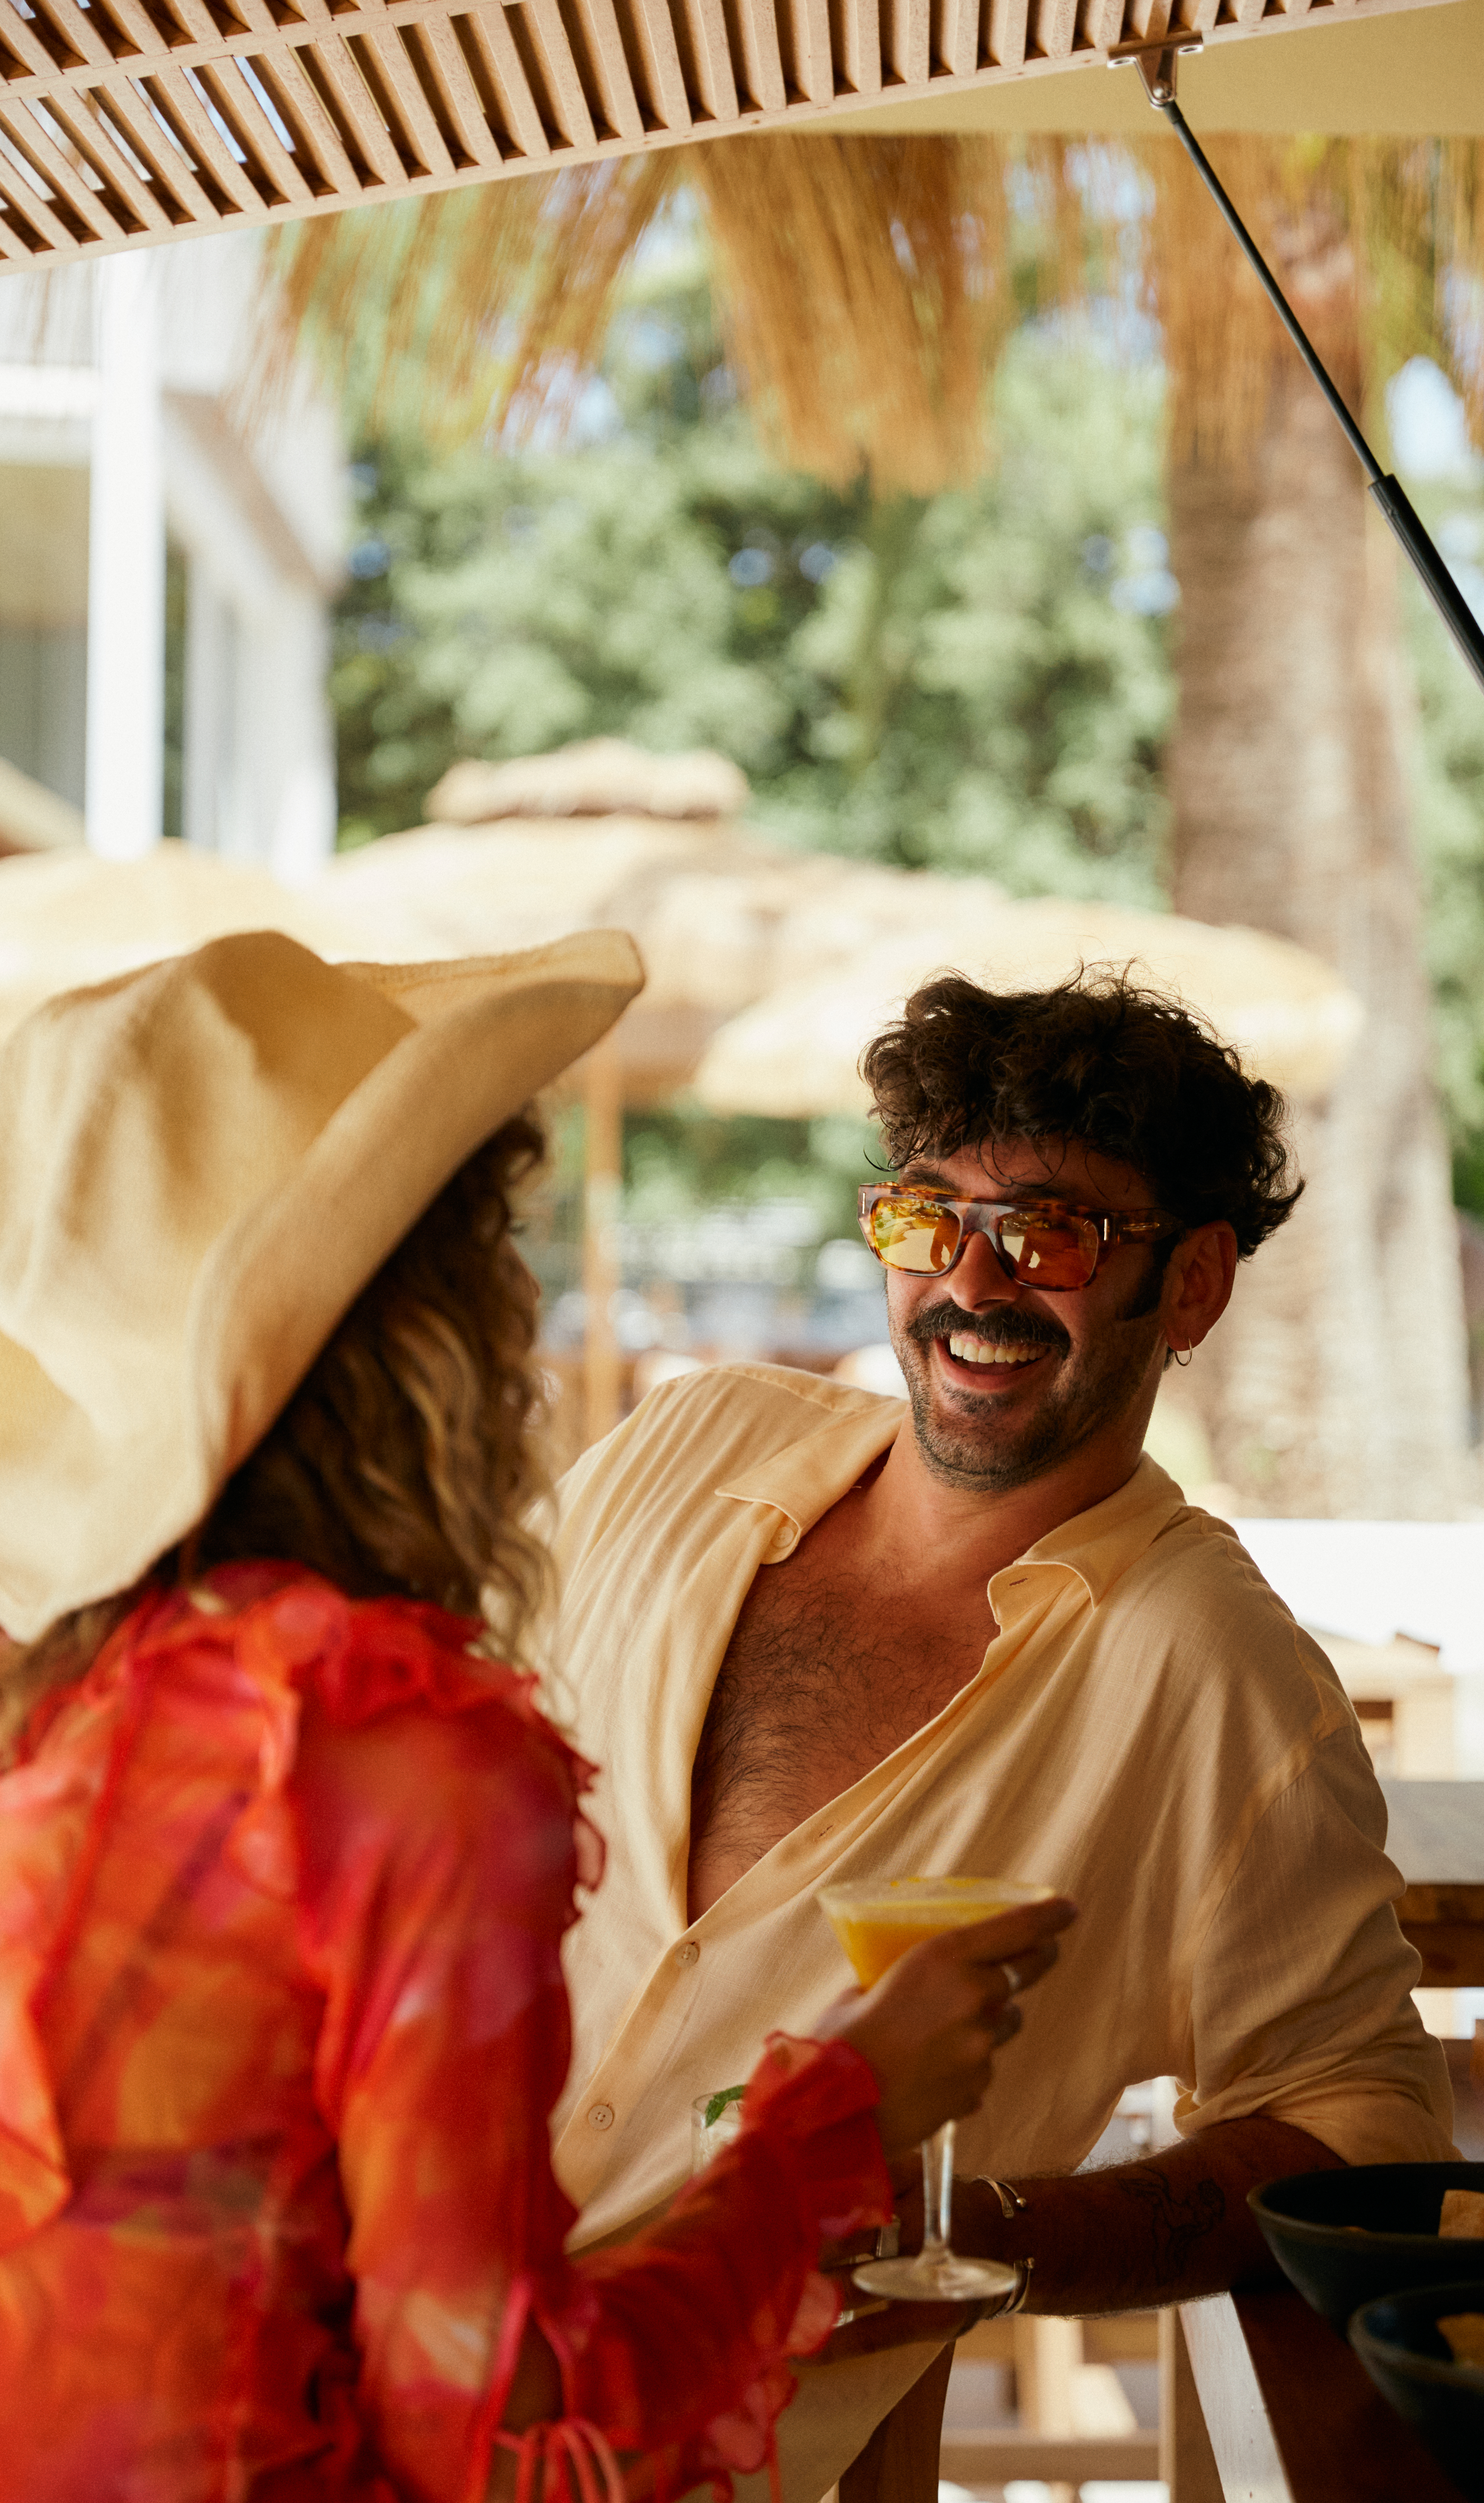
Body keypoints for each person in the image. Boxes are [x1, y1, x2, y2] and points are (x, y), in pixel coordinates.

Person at [0, 929, 1072, 2503]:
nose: (521, 1288)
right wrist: (841, 2113)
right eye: (487, 1237)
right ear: (420, 1320)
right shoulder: (395, 1758)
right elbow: (514, 2437)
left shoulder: (73, 1695)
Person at [546, 967, 1456, 2503]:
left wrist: (973, 2238)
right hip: (362, 2356)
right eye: (925, 1220)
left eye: (1048, 1232)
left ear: (1192, 1284)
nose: (970, 1284)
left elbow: (1359, 2130)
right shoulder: (683, 1448)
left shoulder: (1210, 1672)